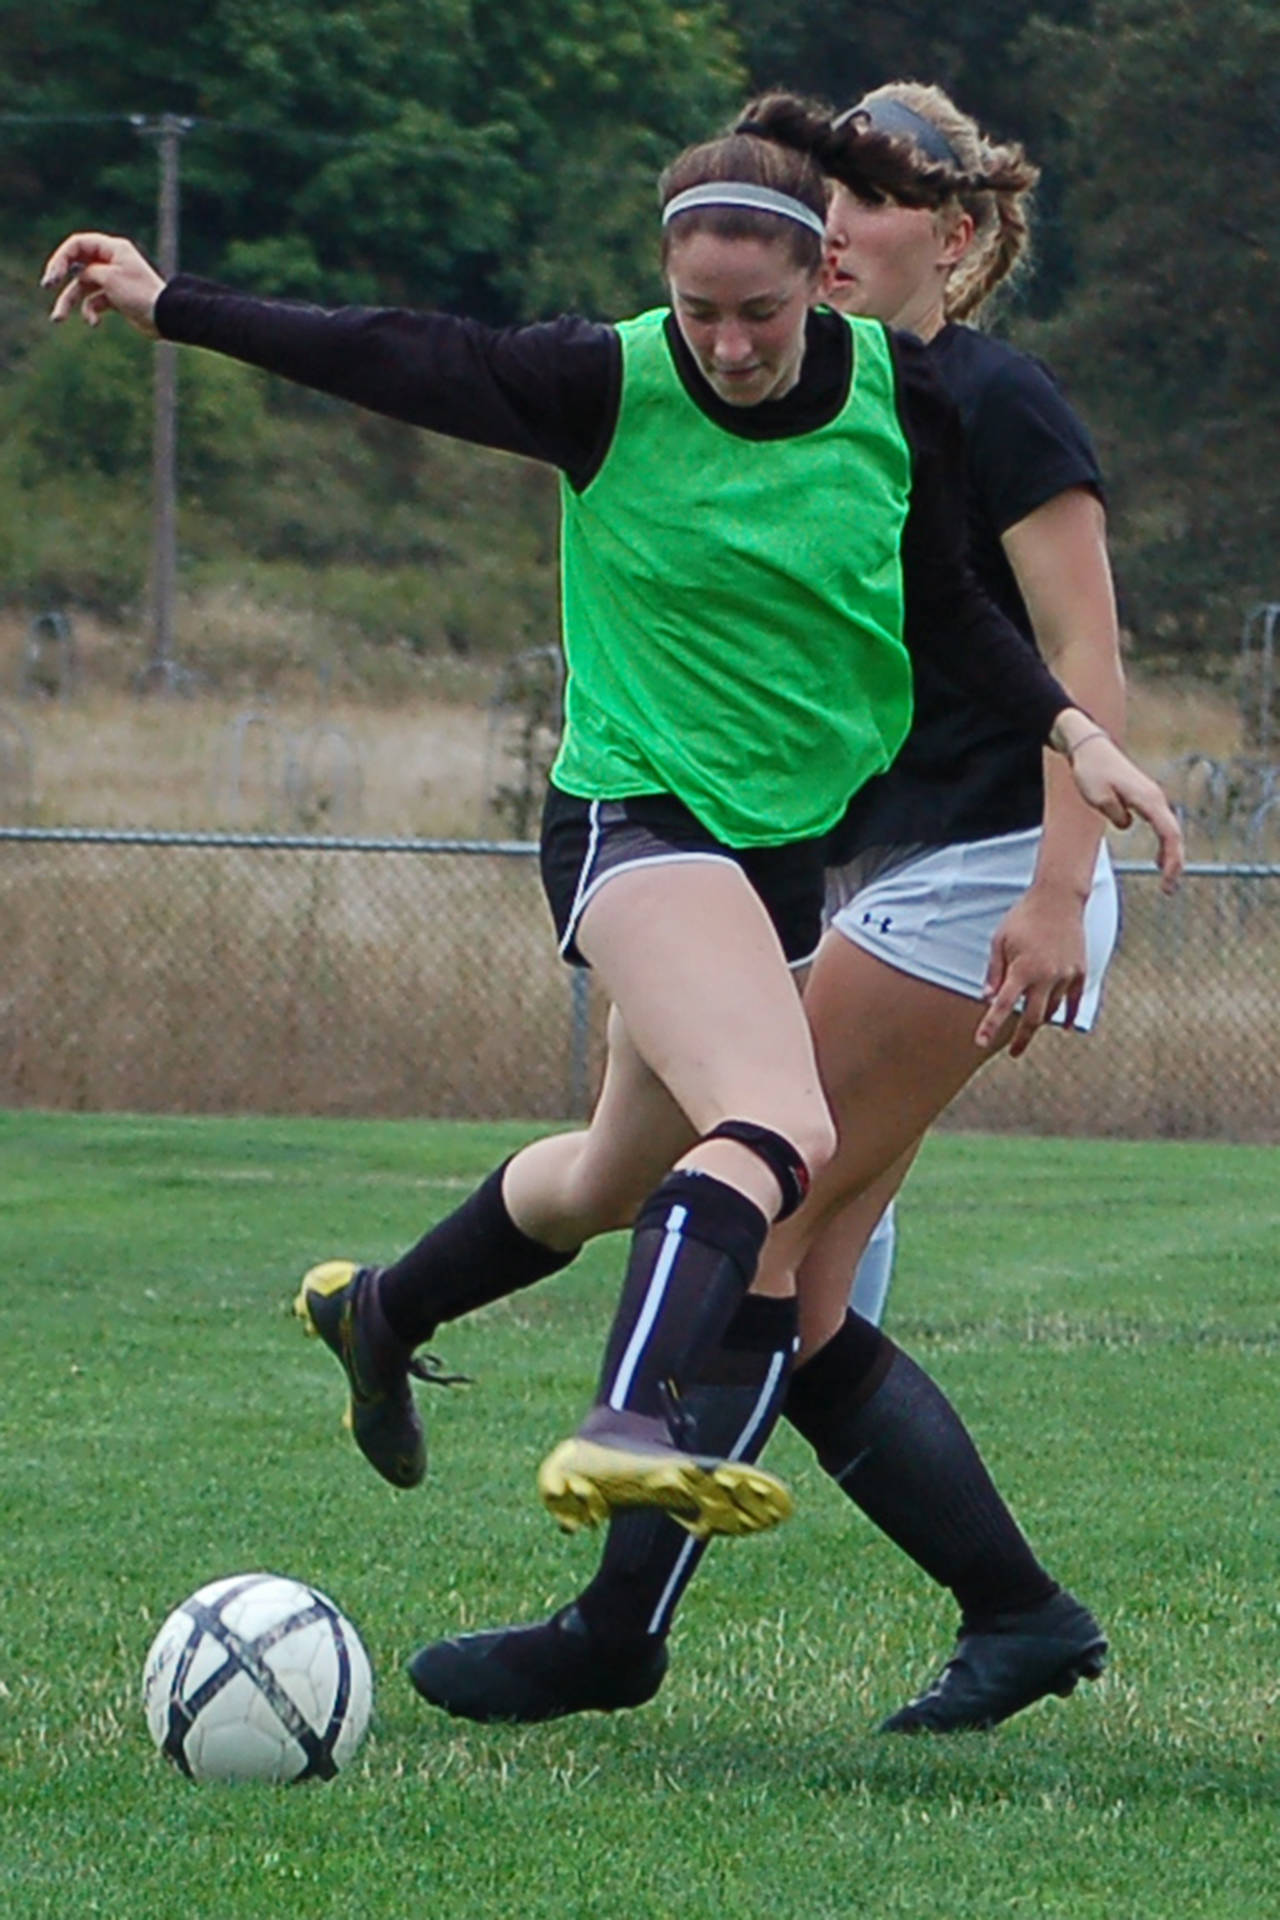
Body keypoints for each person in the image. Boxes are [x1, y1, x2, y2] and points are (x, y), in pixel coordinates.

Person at [43, 96, 1178, 1716]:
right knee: (732, 1158)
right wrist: (172, 302)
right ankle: (588, 1421)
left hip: (864, 864)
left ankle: (444, 1384)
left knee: (684, 1198)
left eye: (769, 303)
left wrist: (1077, 779)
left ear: (879, 260)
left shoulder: (923, 400)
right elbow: (391, 349)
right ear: (668, 281)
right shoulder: (619, 375)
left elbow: (977, 622)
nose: (730, 340)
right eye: (701, 309)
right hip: (679, 835)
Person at [397, 88, 1159, 1736]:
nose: (834, 229)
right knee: (794, 1285)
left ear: (949, 235)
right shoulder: (844, 396)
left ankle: (616, 1629)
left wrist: (1054, 891)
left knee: (754, 1202)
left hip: (977, 884)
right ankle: (1018, 1613)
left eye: (864, 202)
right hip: (888, 882)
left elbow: (1080, 669)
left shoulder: (993, 400)